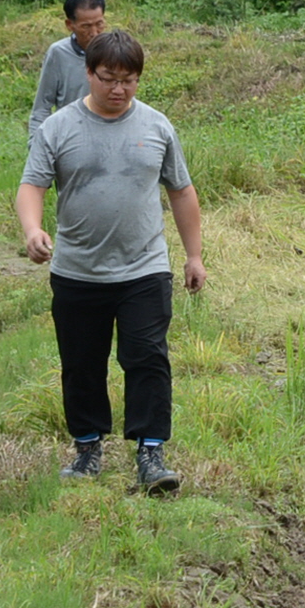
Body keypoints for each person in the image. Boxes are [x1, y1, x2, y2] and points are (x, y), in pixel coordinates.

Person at [15, 29, 205, 495]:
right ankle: (87, 449)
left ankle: (151, 453)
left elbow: (181, 191)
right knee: (82, 363)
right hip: (77, 270)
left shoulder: (157, 126)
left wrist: (194, 256)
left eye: (129, 80)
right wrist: (33, 230)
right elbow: (31, 186)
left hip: (144, 267)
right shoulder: (57, 128)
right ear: (88, 74)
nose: (118, 89)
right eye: (108, 78)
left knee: (147, 358)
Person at [30, 0, 109, 144]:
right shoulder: (58, 53)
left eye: (99, 24)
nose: (94, 33)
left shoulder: (116, 52)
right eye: (86, 26)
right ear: (69, 25)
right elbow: (42, 107)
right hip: (70, 139)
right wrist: (35, 144)